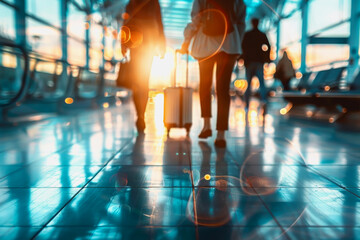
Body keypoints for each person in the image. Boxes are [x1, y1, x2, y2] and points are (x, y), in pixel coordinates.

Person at [180, 0, 246, 148]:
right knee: (223, 90)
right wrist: (237, 42)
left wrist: (186, 41)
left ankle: (206, 126)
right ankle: (221, 134)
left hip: (205, 44)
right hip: (229, 44)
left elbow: (196, 19)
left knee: (205, 86)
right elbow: (241, 23)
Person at [118, 0, 166, 133]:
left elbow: (125, 22)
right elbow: (160, 23)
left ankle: (140, 114)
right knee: (144, 81)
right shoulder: (154, 2)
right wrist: (162, 44)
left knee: (137, 83)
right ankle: (141, 115)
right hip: (149, 42)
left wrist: (124, 44)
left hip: (135, 42)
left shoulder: (131, 2)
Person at [241, 18, 271, 110]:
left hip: (249, 62)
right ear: (258, 23)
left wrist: (242, 59)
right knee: (261, 83)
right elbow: (268, 46)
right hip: (259, 62)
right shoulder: (261, 35)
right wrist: (266, 58)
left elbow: (242, 47)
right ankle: (264, 101)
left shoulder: (247, 35)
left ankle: (246, 105)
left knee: (248, 83)